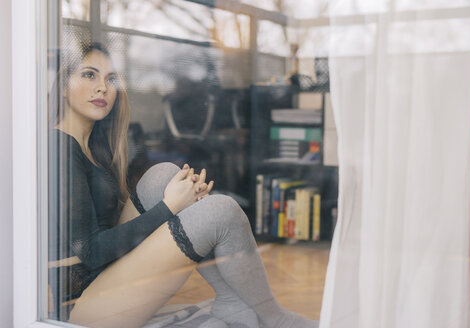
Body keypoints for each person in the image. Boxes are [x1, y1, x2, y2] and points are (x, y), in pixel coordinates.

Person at [48, 42, 319, 328]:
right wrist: (171, 207)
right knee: (221, 211)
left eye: (111, 78)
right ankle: (274, 318)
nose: (102, 87)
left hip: (101, 278)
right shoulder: (58, 146)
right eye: (89, 75)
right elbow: (89, 251)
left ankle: (232, 301)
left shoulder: (91, 147)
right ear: (64, 84)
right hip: (79, 304)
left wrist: (181, 202)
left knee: (163, 174)